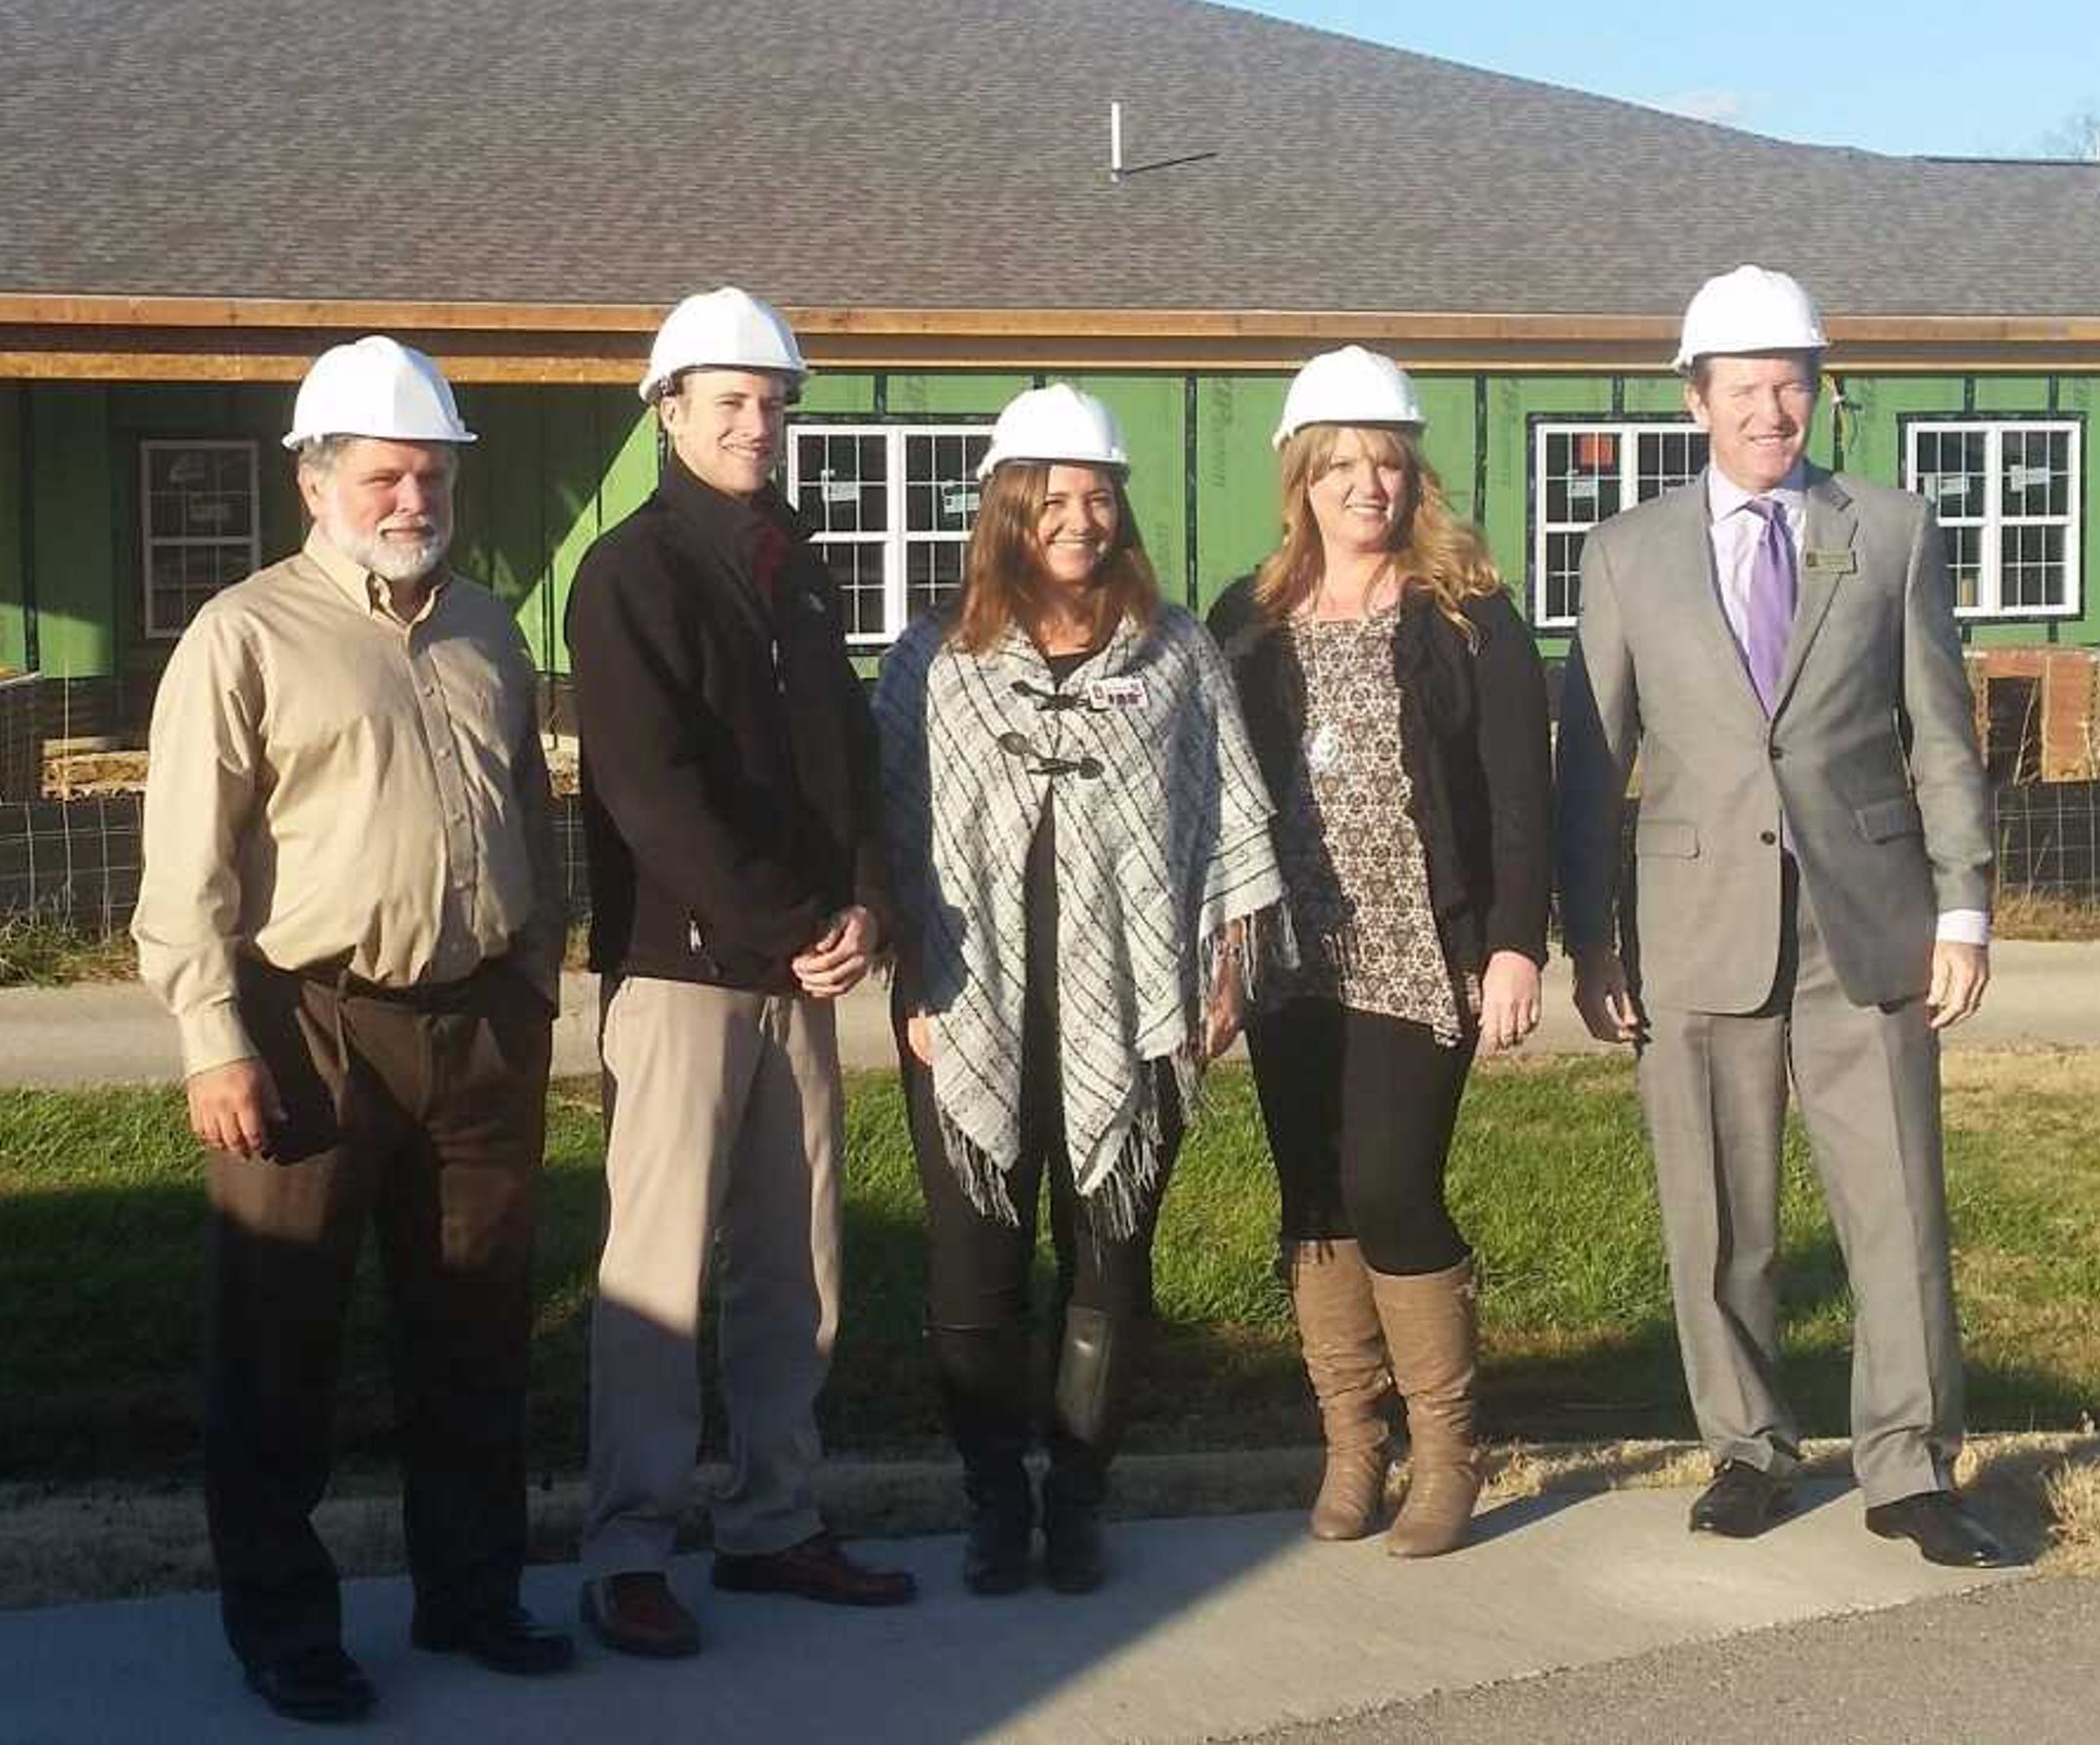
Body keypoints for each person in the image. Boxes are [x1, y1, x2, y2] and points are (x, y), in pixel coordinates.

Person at [131, 337, 575, 1726]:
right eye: (383, 472)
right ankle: (284, 1626)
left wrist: (535, 980)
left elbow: (525, 815)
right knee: (280, 1343)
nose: (409, 497)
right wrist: (211, 1035)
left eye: (430, 472)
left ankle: (470, 1592)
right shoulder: (244, 635)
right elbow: (185, 860)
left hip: (481, 1028)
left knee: (475, 1329)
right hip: (307, 1025)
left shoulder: (491, 628)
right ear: (315, 482)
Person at [1553, 265, 2008, 1570]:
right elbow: (1595, 761)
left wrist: (1963, 909)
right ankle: (1749, 1447)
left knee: (1897, 1207)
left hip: (1868, 922)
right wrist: (1592, 938)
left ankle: (1910, 1467)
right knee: (1718, 1212)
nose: (1774, 410)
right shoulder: (1627, 553)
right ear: (1695, 400)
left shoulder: (1893, 529)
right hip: (1693, 923)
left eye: (1794, 385)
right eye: (1747, 387)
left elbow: (1940, 734)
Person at [873, 386, 1285, 1597]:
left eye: (1098, 494)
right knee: (973, 1267)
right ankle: (994, 1500)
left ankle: (1080, 1496)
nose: (1079, 516)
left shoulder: (1176, 652)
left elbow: (1225, 820)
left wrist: (1223, 966)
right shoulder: (933, 659)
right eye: (1052, 496)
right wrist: (909, 969)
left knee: (1110, 1257)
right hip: (968, 995)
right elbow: (892, 832)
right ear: (1007, 508)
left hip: (1136, 996)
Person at [566, 285, 919, 1660]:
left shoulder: (796, 563)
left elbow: (845, 765)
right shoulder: (632, 574)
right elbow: (653, 796)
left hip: (802, 973)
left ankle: (774, 1523)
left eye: (771, 402)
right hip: (686, 974)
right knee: (658, 1274)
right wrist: (790, 922)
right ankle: (631, 1548)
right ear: (669, 411)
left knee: (799, 1267)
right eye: (727, 401)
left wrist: (870, 906)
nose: (755, 423)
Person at [1206, 344, 1554, 1562]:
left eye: (1389, 464)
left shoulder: (1472, 617)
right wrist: (1218, 950)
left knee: (1395, 1185)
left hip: (1424, 947)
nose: (1367, 486)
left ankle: (1450, 1454)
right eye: (1342, 464)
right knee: (1313, 1197)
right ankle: (1354, 1446)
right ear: (1301, 478)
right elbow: (1214, 798)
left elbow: (1521, 797)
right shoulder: (1243, 620)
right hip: (1290, 954)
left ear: (1417, 481)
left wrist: (1516, 947)